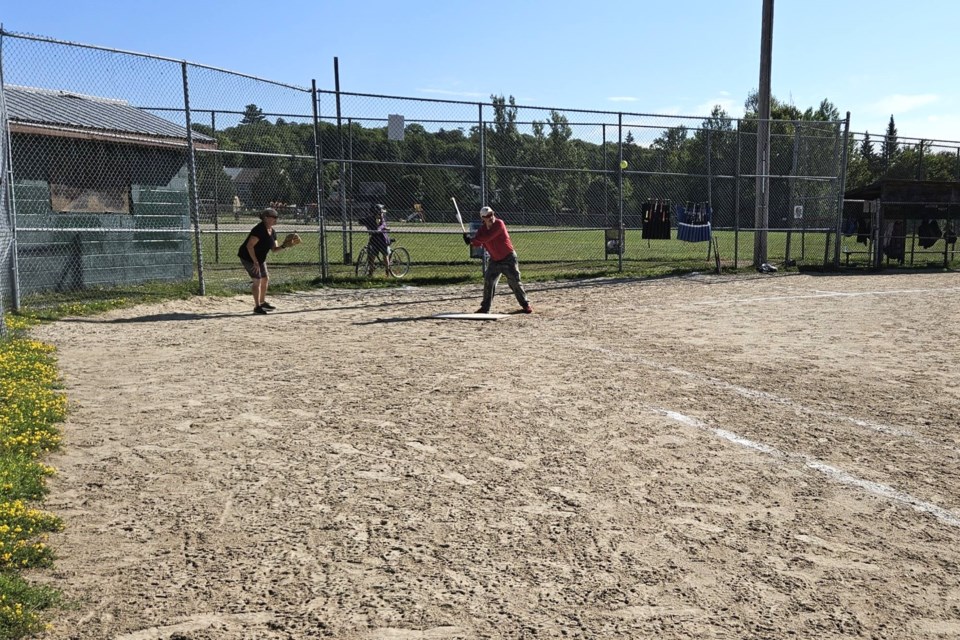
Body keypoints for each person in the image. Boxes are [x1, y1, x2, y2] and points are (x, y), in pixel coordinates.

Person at [463, 206, 532, 314]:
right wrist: (469, 240)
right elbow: (478, 242)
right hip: (495, 260)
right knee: (488, 281)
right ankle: (485, 308)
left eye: (491, 214)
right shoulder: (482, 230)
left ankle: (525, 305)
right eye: (487, 216)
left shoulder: (499, 224)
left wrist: (472, 240)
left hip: (508, 258)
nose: (490, 217)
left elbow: (487, 238)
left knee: (514, 282)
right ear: (483, 218)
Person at [238, 207, 289, 315]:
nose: (276, 219)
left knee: (265, 278)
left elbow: (274, 250)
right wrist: (255, 262)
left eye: (277, 217)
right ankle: (257, 307)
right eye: (273, 217)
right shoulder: (259, 229)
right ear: (266, 218)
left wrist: (284, 246)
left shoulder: (272, 232)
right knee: (257, 280)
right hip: (248, 257)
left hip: (260, 258)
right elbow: (249, 246)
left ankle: (262, 302)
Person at [359, 203, 392, 275]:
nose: (382, 214)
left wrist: (379, 228)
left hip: (382, 239)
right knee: (371, 254)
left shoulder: (381, 219)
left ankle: (387, 270)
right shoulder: (370, 218)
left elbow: (383, 225)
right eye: (380, 212)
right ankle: (371, 270)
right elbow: (361, 221)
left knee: (385, 254)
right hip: (374, 239)